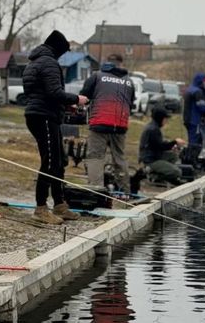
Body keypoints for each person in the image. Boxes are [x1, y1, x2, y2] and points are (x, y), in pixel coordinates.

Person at [22, 30, 88, 224]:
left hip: (43, 114)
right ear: (58, 48)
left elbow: (41, 93)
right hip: (43, 116)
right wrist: (76, 99)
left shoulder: (35, 62)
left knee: (59, 161)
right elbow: (54, 92)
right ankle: (41, 208)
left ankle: (60, 205)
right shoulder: (49, 62)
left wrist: (66, 106)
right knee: (50, 162)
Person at [79, 53, 135, 191]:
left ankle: (96, 191)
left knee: (96, 157)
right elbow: (131, 104)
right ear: (121, 64)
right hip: (120, 125)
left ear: (107, 62)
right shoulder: (129, 81)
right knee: (119, 157)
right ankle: (125, 192)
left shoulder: (97, 76)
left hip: (99, 123)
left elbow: (83, 97)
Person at [137, 106, 186, 185]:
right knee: (177, 172)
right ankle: (153, 176)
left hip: (153, 155)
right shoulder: (153, 130)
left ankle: (159, 173)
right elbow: (160, 146)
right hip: (151, 160)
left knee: (173, 155)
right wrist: (175, 142)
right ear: (160, 118)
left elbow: (158, 144)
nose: (166, 121)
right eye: (165, 119)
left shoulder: (153, 126)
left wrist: (171, 145)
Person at [182, 73, 205, 166]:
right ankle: (191, 162)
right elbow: (201, 106)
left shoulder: (190, 89)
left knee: (193, 140)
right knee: (195, 142)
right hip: (194, 121)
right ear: (200, 82)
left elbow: (195, 107)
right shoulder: (198, 92)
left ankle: (190, 160)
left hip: (188, 119)